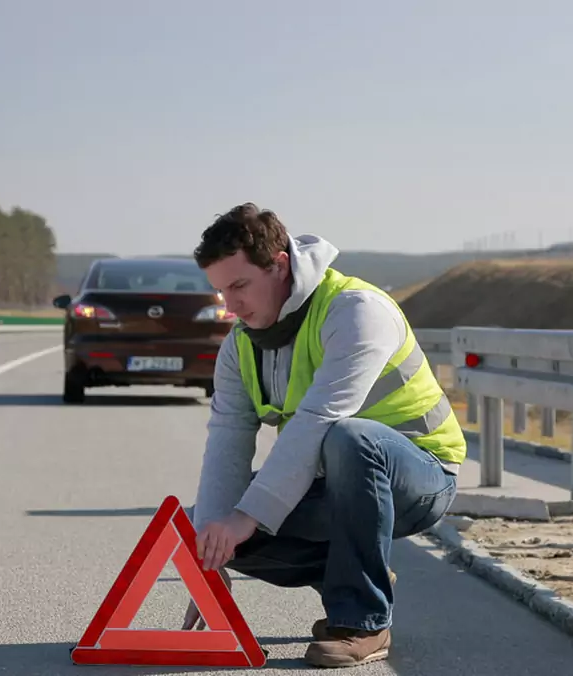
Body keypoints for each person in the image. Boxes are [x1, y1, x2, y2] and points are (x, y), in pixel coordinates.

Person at [181, 203, 466, 668]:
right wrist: (209, 558)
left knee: (349, 438)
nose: (230, 306)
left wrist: (246, 516)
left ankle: (364, 622)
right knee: (207, 526)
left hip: (420, 475)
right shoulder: (240, 345)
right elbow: (227, 440)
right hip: (335, 485)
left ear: (279, 264)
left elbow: (319, 419)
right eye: (219, 292)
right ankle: (360, 573)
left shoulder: (355, 311)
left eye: (239, 286)